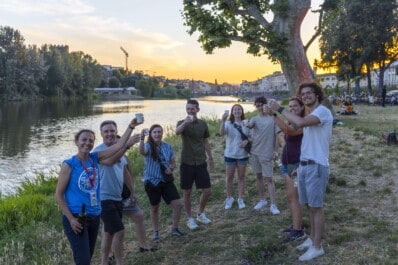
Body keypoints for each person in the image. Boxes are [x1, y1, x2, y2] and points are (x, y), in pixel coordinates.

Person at [55, 118, 140, 265]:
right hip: (77, 217)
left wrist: (131, 126)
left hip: (94, 215)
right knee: (83, 260)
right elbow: (58, 195)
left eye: (90, 141)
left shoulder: (95, 158)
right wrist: (71, 219)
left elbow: (119, 145)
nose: (87, 143)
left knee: (87, 256)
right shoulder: (69, 164)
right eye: (84, 140)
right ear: (77, 141)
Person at [269, 82, 333, 261]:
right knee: (310, 207)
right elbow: (290, 128)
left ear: (317, 95)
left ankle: (317, 247)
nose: (305, 96)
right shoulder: (309, 113)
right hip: (304, 165)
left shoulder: (322, 112)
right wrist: (272, 114)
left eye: (309, 93)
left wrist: (280, 108)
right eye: (302, 94)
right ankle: (312, 239)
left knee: (316, 207)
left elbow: (302, 123)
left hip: (316, 165)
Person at [93, 121, 148, 265]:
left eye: (112, 130)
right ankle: (119, 262)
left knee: (108, 232)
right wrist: (127, 145)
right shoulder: (97, 152)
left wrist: (132, 192)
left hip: (117, 198)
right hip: (103, 198)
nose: (110, 134)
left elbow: (125, 173)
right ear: (101, 134)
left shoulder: (121, 153)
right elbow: (111, 161)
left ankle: (104, 262)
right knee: (119, 231)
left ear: (116, 131)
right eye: (106, 131)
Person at [139, 124, 186, 241]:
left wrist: (171, 168)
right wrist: (141, 139)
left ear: (162, 133)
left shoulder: (167, 146)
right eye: (154, 132)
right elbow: (142, 152)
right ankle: (156, 232)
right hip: (152, 182)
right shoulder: (148, 146)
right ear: (151, 134)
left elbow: (173, 162)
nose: (157, 134)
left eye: (159, 132)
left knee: (177, 204)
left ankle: (175, 229)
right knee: (155, 208)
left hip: (166, 180)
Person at [176, 99, 214, 230]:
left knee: (207, 190)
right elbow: (176, 132)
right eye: (188, 109)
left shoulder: (203, 124)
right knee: (187, 192)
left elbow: (205, 141)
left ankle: (200, 213)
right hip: (187, 162)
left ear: (198, 109)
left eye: (192, 109)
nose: (190, 111)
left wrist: (210, 157)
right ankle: (189, 218)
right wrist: (185, 124)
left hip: (200, 161)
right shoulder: (182, 123)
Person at [273, 98, 306, 243]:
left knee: (296, 197)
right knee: (291, 197)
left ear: (302, 107)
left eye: (295, 106)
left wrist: (274, 114)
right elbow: (284, 135)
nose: (292, 108)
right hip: (287, 163)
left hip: (297, 163)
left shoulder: (304, 122)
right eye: (290, 106)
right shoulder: (290, 121)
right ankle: (296, 225)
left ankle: (298, 230)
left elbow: (288, 131)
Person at [246, 96, 281, 215]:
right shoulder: (255, 118)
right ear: (255, 106)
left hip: (267, 153)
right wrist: (247, 124)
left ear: (266, 105)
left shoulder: (273, 118)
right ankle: (262, 200)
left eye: (262, 105)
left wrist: (275, 151)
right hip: (254, 152)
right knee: (258, 177)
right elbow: (250, 126)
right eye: (258, 105)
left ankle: (273, 204)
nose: (260, 107)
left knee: (269, 179)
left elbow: (277, 136)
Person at [219, 104, 250, 210]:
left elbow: (252, 136)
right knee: (229, 178)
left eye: (239, 109)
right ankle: (229, 198)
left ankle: (240, 198)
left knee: (241, 177)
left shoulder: (246, 123)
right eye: (235, 110)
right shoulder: (228, 123)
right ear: (232, 112)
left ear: (242, 111)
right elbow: (222, 133)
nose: (237, 111)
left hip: (242, 155)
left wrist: (247, 141)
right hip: (230, 154)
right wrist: (222, 120)